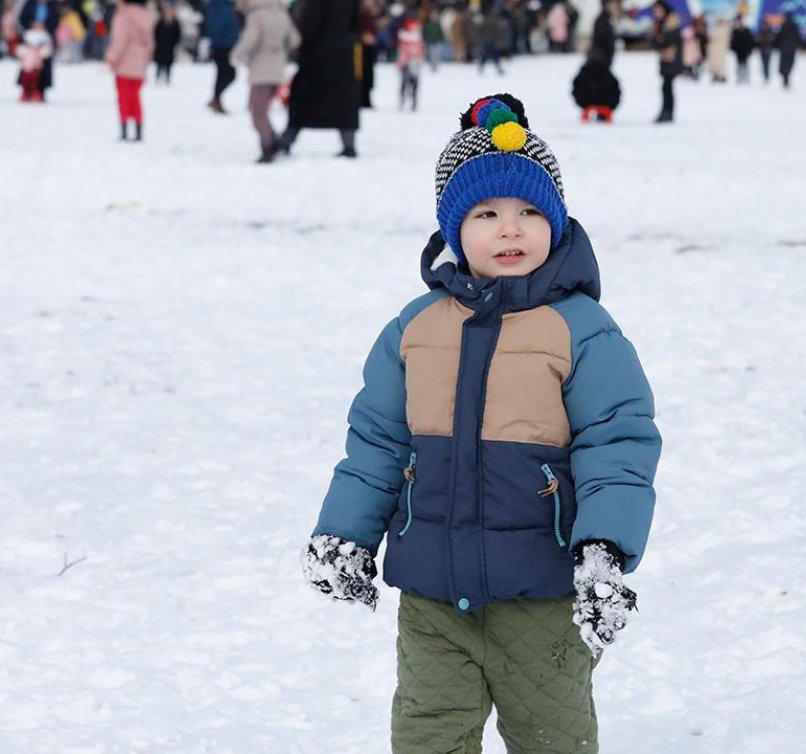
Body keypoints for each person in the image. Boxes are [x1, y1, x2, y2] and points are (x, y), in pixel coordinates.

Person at [300, 92, 661, 754]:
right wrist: (345, 532)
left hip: (542, 596)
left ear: (556, 222)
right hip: (434, 599)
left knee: (552, 739)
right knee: (428, 737)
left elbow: (617, 443)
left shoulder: (583, 330)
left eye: (530, 212)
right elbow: (378, 443)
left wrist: (604, 547)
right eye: (487, 213)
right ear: (453, 228)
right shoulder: (414, 329)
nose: (510, 230)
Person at [275, 0, 361, 158]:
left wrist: (301, 49)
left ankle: (287, 140)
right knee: (344, 102)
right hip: (342, 55)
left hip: (316, 54)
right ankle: (349, 144)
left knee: (303, 100)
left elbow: (310, 25)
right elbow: (356, 23)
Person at [231, 0, 299, 163]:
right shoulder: (281, 13)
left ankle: (268, 146)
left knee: (257, 112)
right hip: (278, 70)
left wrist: (235, 55)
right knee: (262, 109)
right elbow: (295, 40)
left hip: (261, 70)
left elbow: (250, 39)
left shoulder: (256, 15)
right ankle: (273, 140)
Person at [105, 0, 155, 141]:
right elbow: (150, 43)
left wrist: (110, 59)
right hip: (139, 64)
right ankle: (138, 130)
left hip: (124, 64)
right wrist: (145, 60)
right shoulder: (146, 16)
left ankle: (124, 129)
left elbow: (119, 41)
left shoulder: (123, 16)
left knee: (124, 98)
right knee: (135, 97)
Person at [203, 0, 241, 114]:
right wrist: (214, 45)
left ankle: (216, 100)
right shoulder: (221, 6)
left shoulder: (224, 6)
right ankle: (216, 99)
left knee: (222, 74)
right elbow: (217, 27)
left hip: (226, 46)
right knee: (229, 74)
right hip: (223, 47)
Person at [573, 46, 620, 121]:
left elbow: (576, 87)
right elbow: (615, 87)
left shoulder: (585, 71)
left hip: (590, 102)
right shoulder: (605, 71)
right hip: (604, 103)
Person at [652, 0, 680, 123]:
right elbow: (655, 42)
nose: (656, 13)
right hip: (665, 61)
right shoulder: (659, 24)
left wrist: (664, 46)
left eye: (658, 10)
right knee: (666, 87)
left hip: (671, 61)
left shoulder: (671, 22)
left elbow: (673, 42)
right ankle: (666, 111)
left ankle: (667, 112)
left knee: (667, 87)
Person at [16, 23, 53, 102]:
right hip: (26, 68)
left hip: (37, 67)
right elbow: (19, 50)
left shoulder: (45, 37)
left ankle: (36, 92)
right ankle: (26, 92)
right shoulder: (28, 36)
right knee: (25, 80)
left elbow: (47, 51)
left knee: (37, 81)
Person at [397, 16, 424, 109]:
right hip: (407, 63)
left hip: (414, 62)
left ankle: (412, 100)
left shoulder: (417, 38)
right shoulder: (405, 38)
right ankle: (404, 99)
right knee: (407, 83)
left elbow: (421, 50)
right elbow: (402, 52)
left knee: (413, 83)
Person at [153, 2, 180, 85]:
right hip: (160, 47)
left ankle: (168, 78)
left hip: (170, 47)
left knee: (168, 64)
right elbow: (155, 33)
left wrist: (174, 44)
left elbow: (177, 35)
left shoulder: (175, 23)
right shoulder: (160, 22)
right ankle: (157, 77)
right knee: (159, 63)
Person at [590, 0, 618, 67]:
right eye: (613, 4)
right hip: (600, 64)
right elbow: (599, 44)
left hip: (604, 63)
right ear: (606, 5)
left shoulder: (608, 20)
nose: (616, 7)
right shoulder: (602, 21)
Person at [776, 12, 799, 90]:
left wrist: (776, 45)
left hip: (784, 48)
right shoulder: (794, 25)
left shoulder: (784, 25)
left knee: (784, 65)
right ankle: (786, 78)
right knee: (789, 64)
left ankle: (785, 78)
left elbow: (779, 36)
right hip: (791, 49)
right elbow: (797, 37)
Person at [730, 13, 754, 84]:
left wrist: (750, 49)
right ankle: (739, 77)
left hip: (745, 51)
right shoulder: (735, 31)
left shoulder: (747, 31)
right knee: (739, 64)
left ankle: (746, 77)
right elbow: (733, 41)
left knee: (745, 64)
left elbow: (750, 41)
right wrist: (733, 48)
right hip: (738, 51)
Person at [756, 15, 775, 83]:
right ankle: (765, 76)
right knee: (763, 64)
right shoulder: (761, 31)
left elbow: (772, 40)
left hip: (768, 50)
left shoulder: (770, 31)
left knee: (767, 64)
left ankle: (767, 77)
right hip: (762, 50)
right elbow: (758, 40)